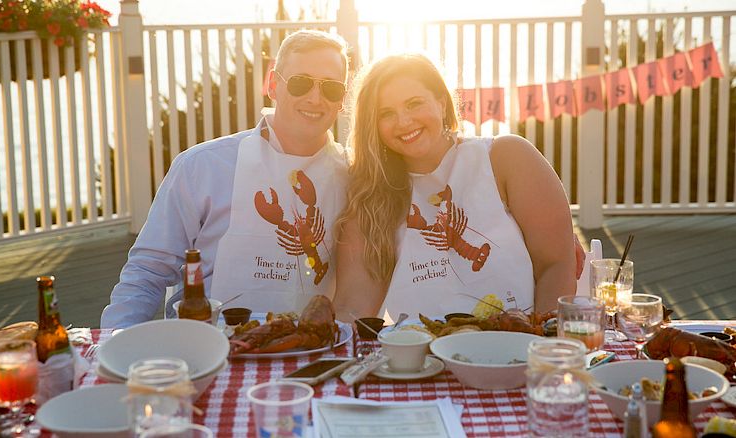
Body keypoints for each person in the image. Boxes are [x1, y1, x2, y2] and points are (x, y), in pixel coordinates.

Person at [101, 30, 350, 329]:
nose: (315, 98)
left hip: (312, 347)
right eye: (300, 83)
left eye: (331, 88)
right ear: (273, 85)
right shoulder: (201, 166)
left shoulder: (355, 176)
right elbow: (148, 271)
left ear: (342, 101)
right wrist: (112, 343)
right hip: (208, 345)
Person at [334, 53, 577, 322]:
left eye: (414, 104)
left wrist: (542, 342)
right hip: (422, 358)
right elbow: (353, 305)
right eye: (386, 114)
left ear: (441, 101)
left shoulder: (506, 157)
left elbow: (556, 264)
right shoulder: (371, 194)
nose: (404, 122)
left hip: (518, 346)